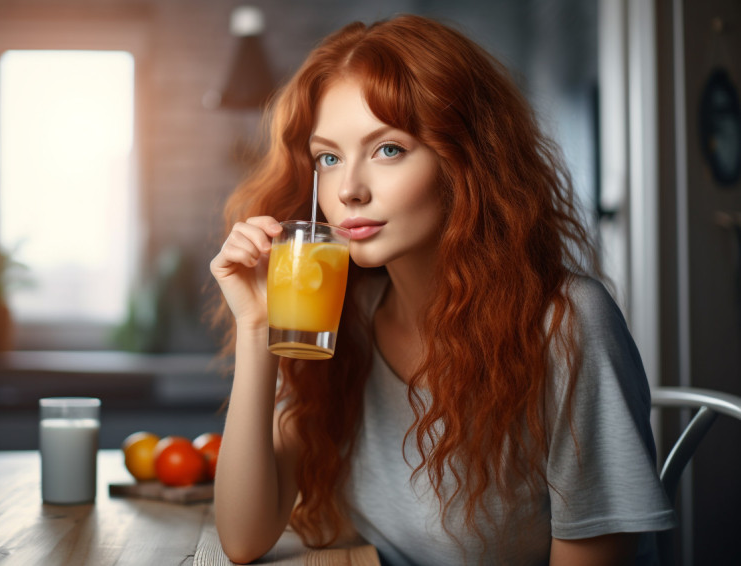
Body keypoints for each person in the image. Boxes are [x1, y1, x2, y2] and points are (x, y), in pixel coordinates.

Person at [209, 14, 676, 566]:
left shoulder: (565, 323)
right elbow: (243, 539)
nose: (350, 190)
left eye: (388, 150)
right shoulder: (341, 313)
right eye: (329, 158)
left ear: (465, 162)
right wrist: (258, 327)